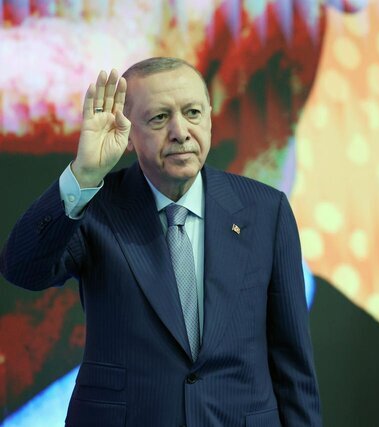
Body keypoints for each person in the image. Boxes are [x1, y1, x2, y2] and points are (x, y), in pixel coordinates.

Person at [0, 57, 322, 427]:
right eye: (159, 118)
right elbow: (22, 269)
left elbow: (293, 363)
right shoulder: (96, 207)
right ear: (126, 132)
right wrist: (83, 174)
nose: (180, 132)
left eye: (193, 113)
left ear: (210, 117)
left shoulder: (266, 209)